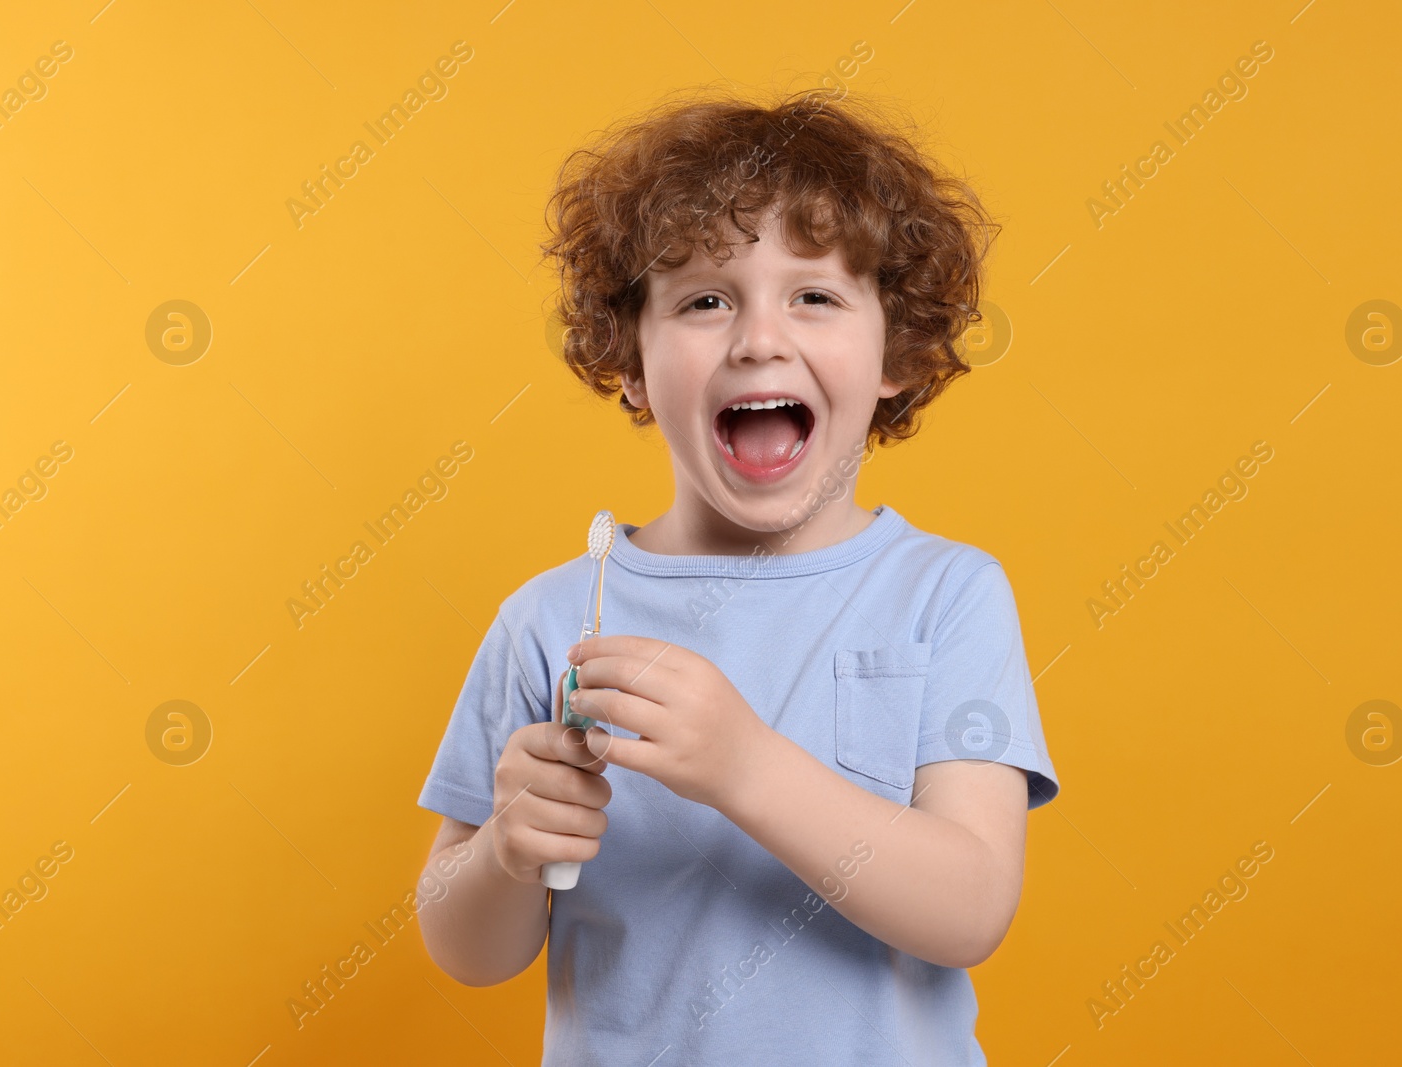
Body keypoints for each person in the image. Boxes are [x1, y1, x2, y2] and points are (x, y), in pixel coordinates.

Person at [414, 86, 1060, 1065]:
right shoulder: (549, 620)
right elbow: (459, 943)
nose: (759, 338)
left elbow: (969, 908)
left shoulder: (948, 596)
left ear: (896, 350)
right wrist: (509, 847)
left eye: (814, 295)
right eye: (705, 300)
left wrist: (745, 767)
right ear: (629, 361)